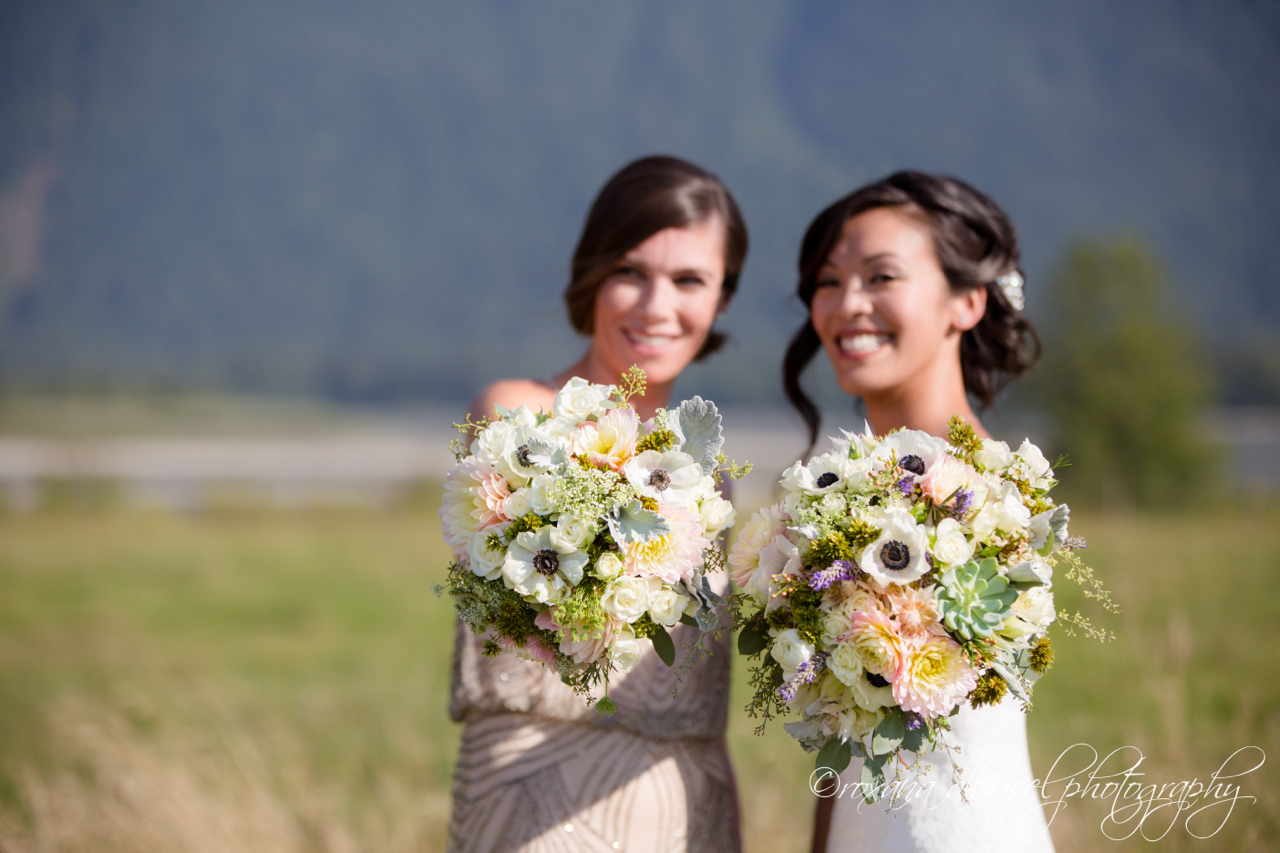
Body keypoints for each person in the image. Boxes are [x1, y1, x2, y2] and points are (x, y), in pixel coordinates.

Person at [447, 155, 749, 852]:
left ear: (723, 298)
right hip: (528, 801)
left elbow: (707, 711)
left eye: (689, 280)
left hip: (685, 807)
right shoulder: (517, 418)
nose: (656, 306)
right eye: (631, 272)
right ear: (593, 274)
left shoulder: (714, 479)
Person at [781, 171, 1054, 853]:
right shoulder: (842, 496)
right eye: (828, 281)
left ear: (967, 300)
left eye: (881, 277)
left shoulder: (988, 501)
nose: (847, 304)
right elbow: (845, 728)